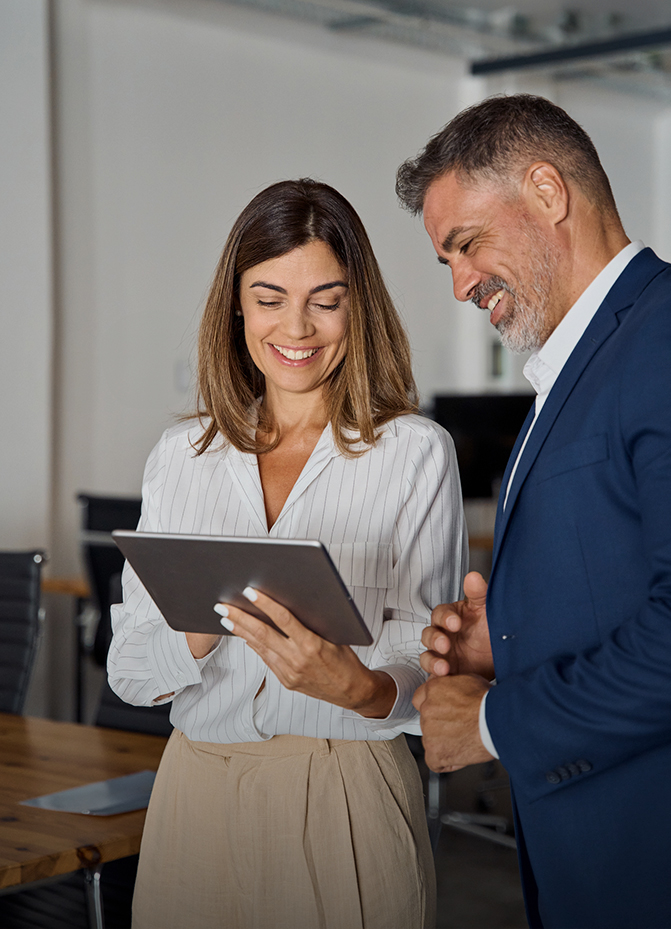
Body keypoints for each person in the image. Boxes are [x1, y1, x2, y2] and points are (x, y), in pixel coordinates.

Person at [108, 178, 467, 929]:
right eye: (268, 297)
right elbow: (131, 672)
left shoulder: (413, 453)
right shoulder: (181, 456)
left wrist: (357, 685)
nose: (295, 326)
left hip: (348, 790)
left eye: (324, 299)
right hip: (196, 795)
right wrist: (197, 632)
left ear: (355, 304)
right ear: (236, 305)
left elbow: (427, 666)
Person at [396, 93, 671, 929]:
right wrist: (508, 635)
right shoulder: (587, 360)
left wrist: (490, 721)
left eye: (465, 244)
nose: (458, 284)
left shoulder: (659, 341)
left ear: (547, 193)